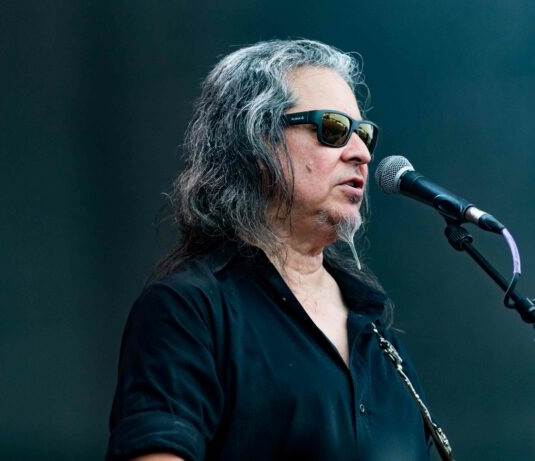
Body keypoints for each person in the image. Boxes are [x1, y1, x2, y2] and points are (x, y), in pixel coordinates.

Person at [106, 39, 432, 461]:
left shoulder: (374, 328)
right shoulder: (190, 309)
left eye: (364, 134)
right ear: (258, 142)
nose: (361, 153)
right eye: (333, 129)